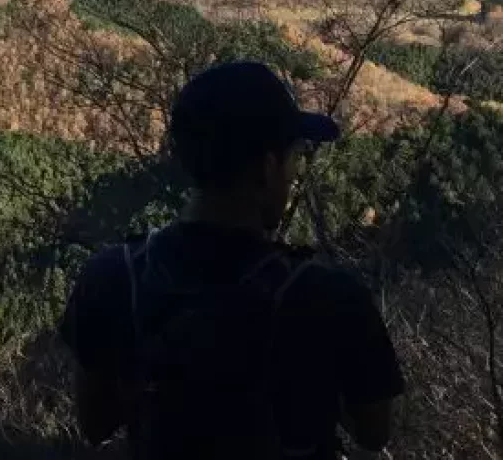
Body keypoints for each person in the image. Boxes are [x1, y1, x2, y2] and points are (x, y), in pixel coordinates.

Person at [60, 61, 404, 459]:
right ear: (268, 168)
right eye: (294, 157)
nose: (294, 174)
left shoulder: (114, 277)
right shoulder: (329, 296)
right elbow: (374, 433)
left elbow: (94, 424)